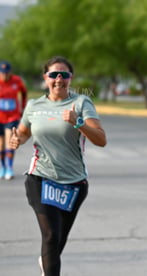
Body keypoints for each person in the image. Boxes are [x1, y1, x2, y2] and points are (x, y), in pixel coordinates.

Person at [8, 56, 107, 276]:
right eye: (53, 74)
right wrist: (17, 140)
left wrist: (78, 122)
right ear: (45, 78)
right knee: (51, 236)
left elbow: (101, 139)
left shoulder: (81, 103)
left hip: (74, 183)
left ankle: (47, 261)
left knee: (57, 240)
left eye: (64, 74)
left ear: (71, 78)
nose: (58, 79)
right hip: (40, 177)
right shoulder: (34, 105)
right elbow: (24, 133)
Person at [0, 60, 27, 180]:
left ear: (10, 72)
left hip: (12, 116)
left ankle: (9, 168)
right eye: (2, 73)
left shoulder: (17, 81)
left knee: (9, 141)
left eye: (6, 73)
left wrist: (23, 108)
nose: (4, 75)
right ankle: (2, 167)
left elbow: (24, 93)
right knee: (1, 144)